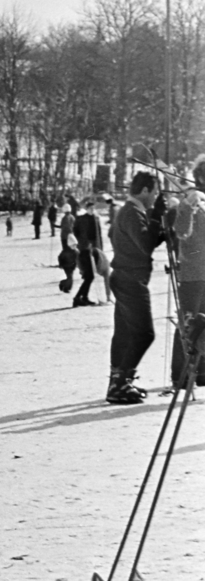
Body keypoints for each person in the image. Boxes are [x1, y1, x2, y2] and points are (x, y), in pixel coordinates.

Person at [106, 170, 166, 404]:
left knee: (124, 334)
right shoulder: (132, 212)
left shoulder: (128, 210)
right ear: (145, 191)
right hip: (131, 280)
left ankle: (117, 382)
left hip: (124, 277)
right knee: (144, 334)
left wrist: (158, 225)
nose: (155, 197)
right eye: (154, 193)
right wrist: (156, 216)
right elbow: (146, 244)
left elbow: (141, 240)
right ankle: (121, 382)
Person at [169, 159, 205, 391]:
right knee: (189, 322)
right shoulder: (191, 199)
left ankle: (201, 371)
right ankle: (181, 373)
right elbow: (182, 232)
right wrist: (188, 208)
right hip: (193, 273)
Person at [72, 200, 105, 307]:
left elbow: (98, 234)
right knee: (89, 275)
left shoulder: (96, 219)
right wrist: (81, 243)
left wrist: (100, 249)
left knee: (90, 276)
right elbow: (75, 231)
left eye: (93, 208)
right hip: (84, 250)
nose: (92, 210)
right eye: (90, 208)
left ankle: (84, 297)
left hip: (94, 249)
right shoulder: (81, 219)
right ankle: (78, 297)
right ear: (86, 209)